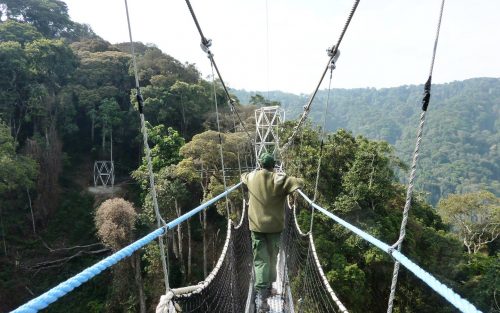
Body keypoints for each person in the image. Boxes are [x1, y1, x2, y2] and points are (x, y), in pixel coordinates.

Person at [241, 152, 303, 312]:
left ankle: (262, 300)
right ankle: (268, 288)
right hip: (275, 228)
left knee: (261, 260)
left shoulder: (251, 177)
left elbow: (243, 176)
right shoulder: (280, 179)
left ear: (260, 165)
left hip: (256, 227)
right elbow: (299, 182)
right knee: (273, 257)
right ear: (274, 166)